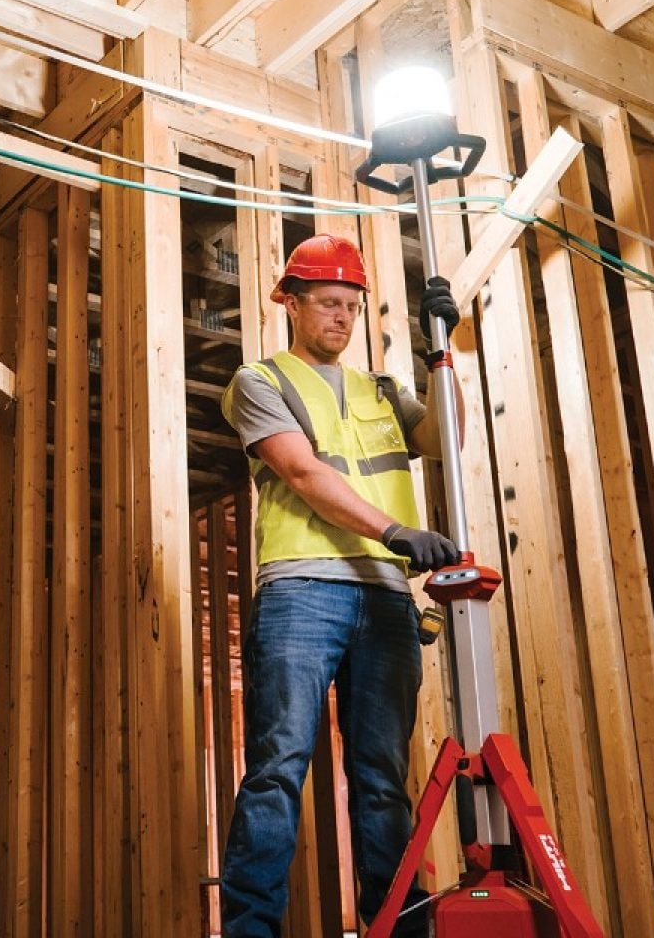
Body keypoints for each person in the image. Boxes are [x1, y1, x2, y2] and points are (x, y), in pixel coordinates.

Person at [218, 233, 464, 938]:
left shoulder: (383, 390)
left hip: (387, 599)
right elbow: (301, 472)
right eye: (328, 303)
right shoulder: (261, 382)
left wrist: (442, 356)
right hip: (303, 592)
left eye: (351, 307)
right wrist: (394, 533)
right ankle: (251, 931)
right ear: (291, 304)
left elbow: (448, 440)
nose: (342, 319)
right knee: (277, 767)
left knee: (384, 778)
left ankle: (395, 926)